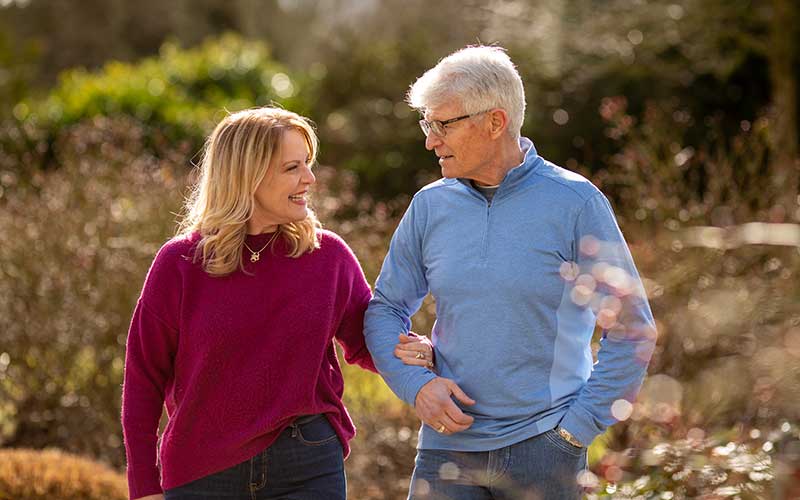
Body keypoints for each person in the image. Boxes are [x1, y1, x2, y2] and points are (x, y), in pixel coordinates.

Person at [364, 46, 658, 499]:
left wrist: (575, 431)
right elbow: (384, 309)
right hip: (445, 449)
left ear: (495, 122)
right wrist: (416, 387)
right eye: (428, 124)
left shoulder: (575, 203)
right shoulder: (429, 206)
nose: (430, 140)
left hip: (544, 451)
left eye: (443, 124)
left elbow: (633, 330)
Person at [121, 107, 433, 500]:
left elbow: (367, 342)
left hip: (306, 463)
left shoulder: (327, 256)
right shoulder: (181, 263)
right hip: (202, 472)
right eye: (292, 167)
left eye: (308, 163)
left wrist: (416, 350)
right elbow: (143, 380)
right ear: (247, 176)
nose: (310, 178)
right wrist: (144, 485)